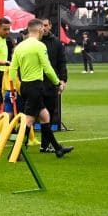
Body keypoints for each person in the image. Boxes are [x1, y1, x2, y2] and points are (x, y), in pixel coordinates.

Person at [9, 19, 72, 159]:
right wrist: (58, 82)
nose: (44, 30)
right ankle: (15, 152)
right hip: (35, 87)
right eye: (42, 29)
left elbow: (12, 71)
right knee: (29, 121)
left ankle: (58, 149)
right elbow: (47, 67)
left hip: (25, 86)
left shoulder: (19, 47)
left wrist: (17, 88)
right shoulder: (39, 46)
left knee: (45, 116)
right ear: (39, 30)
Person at [40, 18, 68, 153]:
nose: (44, 28)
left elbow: (62, 62)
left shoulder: (56, 42)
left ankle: (44, 145)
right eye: (41, 25)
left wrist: (63, 80)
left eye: (46, 25)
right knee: (31, 115)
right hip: (36, 83)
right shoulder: (34, 42)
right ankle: (22, 145)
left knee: (49, 114)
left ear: (50, 26)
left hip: (51, 83)